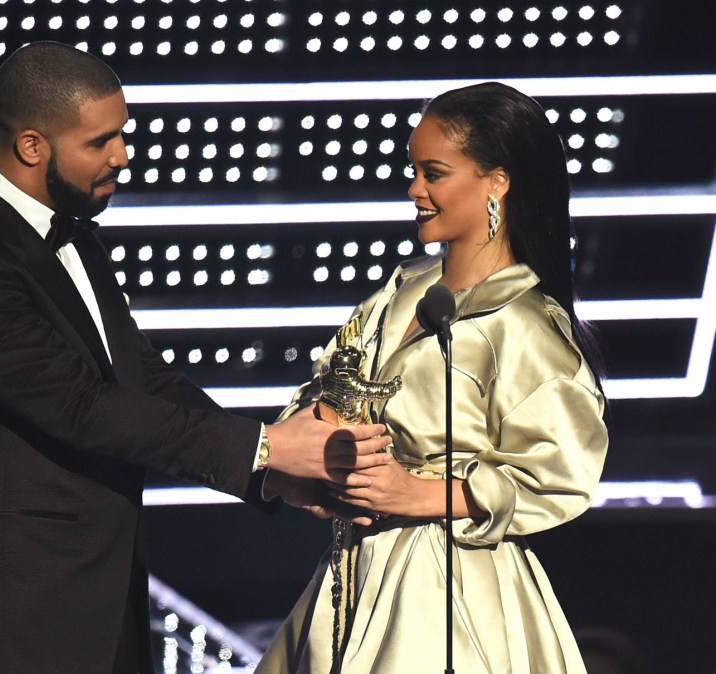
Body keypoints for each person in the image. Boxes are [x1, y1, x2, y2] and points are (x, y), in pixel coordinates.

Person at [0, 41, 391, 674]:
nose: (121, 158)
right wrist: (266, 445)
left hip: (97, 601)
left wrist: (267, 471)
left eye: (121, 135)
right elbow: (82, 408)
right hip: (8, 611)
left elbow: (143, 377)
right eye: (99, 142)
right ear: (31, 147)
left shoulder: (70, 234)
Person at [255, 82, 609, 673]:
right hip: (352, 568)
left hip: (452, 587)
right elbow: (328, 392)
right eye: (414, 171)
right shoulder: (399, 293)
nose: (416, 190)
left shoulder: (524, 326)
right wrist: (319, 444)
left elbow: (561, 476)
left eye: (434, 173)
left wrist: (417, 493)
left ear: (497, 180)